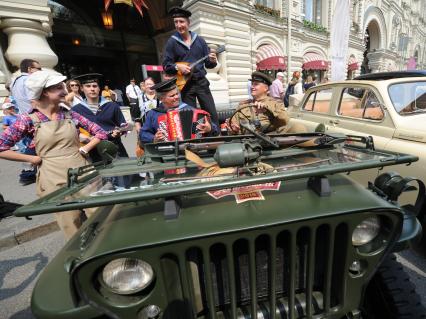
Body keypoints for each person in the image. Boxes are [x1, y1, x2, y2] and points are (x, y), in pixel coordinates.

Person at [0, 70, 107, 240]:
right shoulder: (27, 120)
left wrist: (85, 149)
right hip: (52, 177)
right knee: (71, 223)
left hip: (84, 171)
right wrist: (31, 159)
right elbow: (1, 147)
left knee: (101, 214)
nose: (65, 91)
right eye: (58, 88)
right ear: (44, 92)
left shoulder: (70, 114)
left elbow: (100, 132)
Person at [162, 6, 219, 125]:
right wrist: (178, 67)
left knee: (211, 113)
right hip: (186, 86)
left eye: (181, 21)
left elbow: (208, 64)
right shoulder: (172, 42)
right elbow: (166, 66)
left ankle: (215, 136)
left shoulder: (200, 40)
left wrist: (213, 60)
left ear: (188, 22)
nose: (178, 25)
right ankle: (194, 141)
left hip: (201, 82)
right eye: (176, 22)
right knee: (191, 117)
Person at [140, 78, 218, 143]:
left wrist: (210, 128)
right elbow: (143, 133)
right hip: (165, 153)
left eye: (177, 94)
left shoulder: (189, 109)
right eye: (172, 96)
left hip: (191, 152)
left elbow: (215, 129)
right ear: (161, 99)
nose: (176, 97)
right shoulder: (154, 113)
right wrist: (154, 138)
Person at [227, 71, 306, 135]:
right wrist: (234, 130)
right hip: (247, 143)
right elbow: (233, 129)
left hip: (271, 141)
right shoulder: (243, 105)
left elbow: (285, 121)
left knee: (298, 127)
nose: (252, 87)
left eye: (256, 84)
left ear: (266, 88)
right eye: (252, 84)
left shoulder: (276, 104)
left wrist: (267, 109)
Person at [72, 73, 129, 160]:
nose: (92, 89)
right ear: (82, 89)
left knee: (126, 173)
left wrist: (120, 131)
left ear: (99, 88)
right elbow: (73, 132)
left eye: (95, 86)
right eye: (88, 86)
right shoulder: (76, 110)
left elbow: (123, 125)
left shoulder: (112, 106)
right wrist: (84, 137)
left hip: (115, 149)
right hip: (92, 152)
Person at [10, 59, 42, 186]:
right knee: (33, 148)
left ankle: (27, 173)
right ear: (29, 69)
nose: (40, 71)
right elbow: (34, 100)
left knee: (32, 147)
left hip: (24, 118)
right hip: (35, 118)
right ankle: (27, 174)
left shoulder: (15, 82)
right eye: (38, 69)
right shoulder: (29, 80)